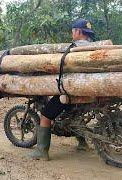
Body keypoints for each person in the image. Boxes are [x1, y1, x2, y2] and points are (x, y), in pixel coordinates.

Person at [28, 19, 95, 160]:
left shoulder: (73, 49)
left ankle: (42, 151)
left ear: (78, 31)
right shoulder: (94, 47)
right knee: (74, 115)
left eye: (73, 31)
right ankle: (82, 143)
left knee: (45, 116)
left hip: (71, 91)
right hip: (89, 90)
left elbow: (60, 67)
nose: (72, 34)